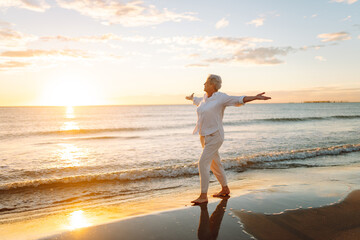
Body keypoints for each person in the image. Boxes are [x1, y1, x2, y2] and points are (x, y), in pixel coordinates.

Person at [186, 74, 271, 204]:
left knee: (202, 163)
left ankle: (203, 196)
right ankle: (225, 189)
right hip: (203, 136)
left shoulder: (221, 98)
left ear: (212, 85)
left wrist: (254, 97)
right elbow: (197, 101)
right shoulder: (204, 99)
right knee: (215, 164)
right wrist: (191, 98)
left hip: (215, 136)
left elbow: (238, 99)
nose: (203, 84)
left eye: (206, 82)